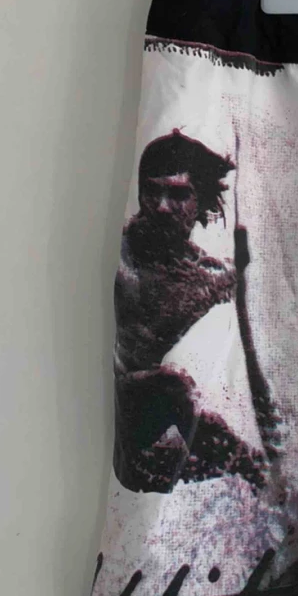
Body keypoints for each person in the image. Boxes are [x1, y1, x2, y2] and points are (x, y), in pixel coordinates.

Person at [111, 131, 264, 492]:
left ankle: (258, 476)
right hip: (118, 405)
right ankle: (260, 475)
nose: (163, 206)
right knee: (173, 387)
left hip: (151, 427)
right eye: (152, 192)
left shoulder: (211, 277)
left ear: (201, 202)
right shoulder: (123, 251)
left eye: (178, 194)